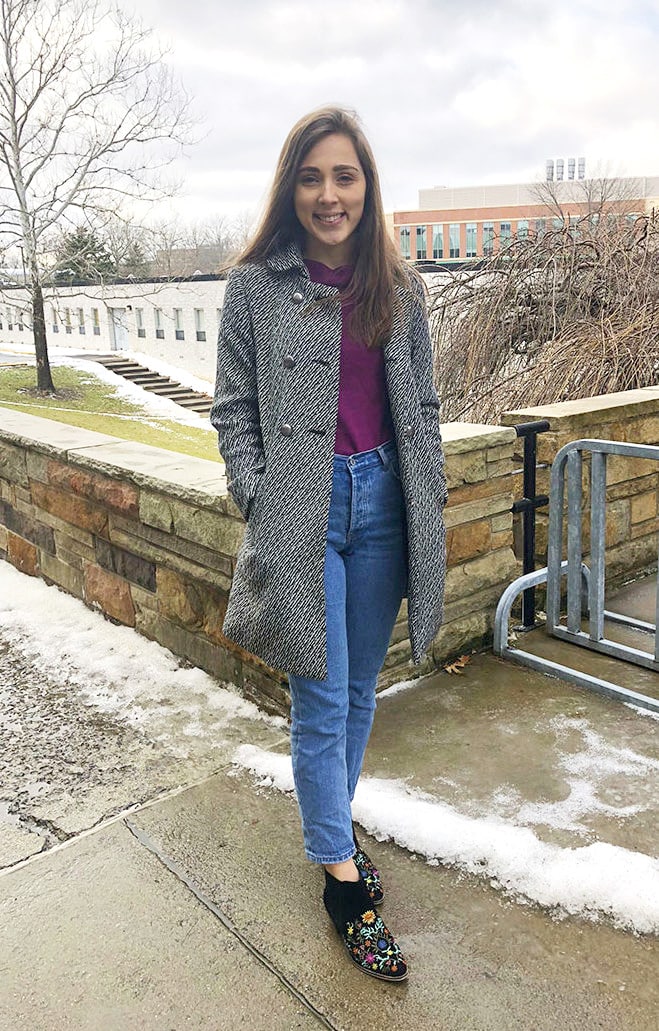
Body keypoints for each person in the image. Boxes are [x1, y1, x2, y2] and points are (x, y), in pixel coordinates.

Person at [210, 107, 447, 982]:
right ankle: (341, 882)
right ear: (290, 188)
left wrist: (426, 485)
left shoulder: (401, 287)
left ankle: (332, 835)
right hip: (301, 514)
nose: (328, 193)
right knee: (319, 701)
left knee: (357, 692)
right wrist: (260, 495)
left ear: (367, 186)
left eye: (343, 176)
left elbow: (420, 402)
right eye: (311, 177)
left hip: (383, 498)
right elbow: (233, 410)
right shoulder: (253, 289)